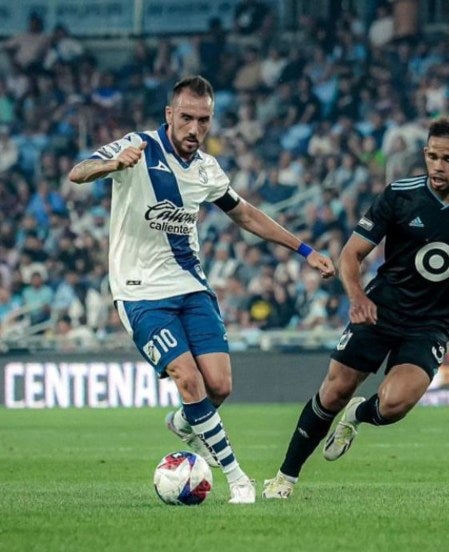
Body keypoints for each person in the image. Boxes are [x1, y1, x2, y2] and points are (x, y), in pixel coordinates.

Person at [68, 76, 335, 504]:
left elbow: (246, 215)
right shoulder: (138, 146)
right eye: (187, 118)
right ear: (169, 114)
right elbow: (78, 172)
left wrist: (304, 250)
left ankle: (183, 422)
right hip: (140, 292)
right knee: (188, 379)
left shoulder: (208, 169)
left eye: (204, 120)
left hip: (191, 287)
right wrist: (112, 165)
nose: (195, 129)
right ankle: (237, 478)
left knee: (220, 386)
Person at [262, 116, 449, 499]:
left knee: (394, 405)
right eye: (432, 157)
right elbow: (351, 254)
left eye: (448, 159)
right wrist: (358, 297)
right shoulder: (400, 195)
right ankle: (284, 478)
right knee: (334, 391)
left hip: (432, 324)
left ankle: (358, 415)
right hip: (381, 309)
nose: (438, 166)